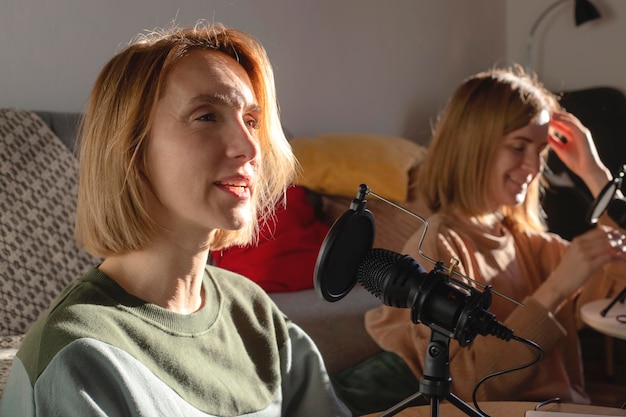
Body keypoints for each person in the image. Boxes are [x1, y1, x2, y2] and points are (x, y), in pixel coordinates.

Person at [0, 22, 350, 417]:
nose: (250, 147)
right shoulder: (77, 355)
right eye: (206, 116)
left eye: (251, 120)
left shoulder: (252, 310)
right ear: (130, 149)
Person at [364, 67, 626, 405]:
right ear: (474, 146)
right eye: (519, 147)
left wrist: (596, 175)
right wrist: (556, 289)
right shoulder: (438, 249)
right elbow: (469, 386)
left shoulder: (529, 244)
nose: (533, 167)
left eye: (541, 151)